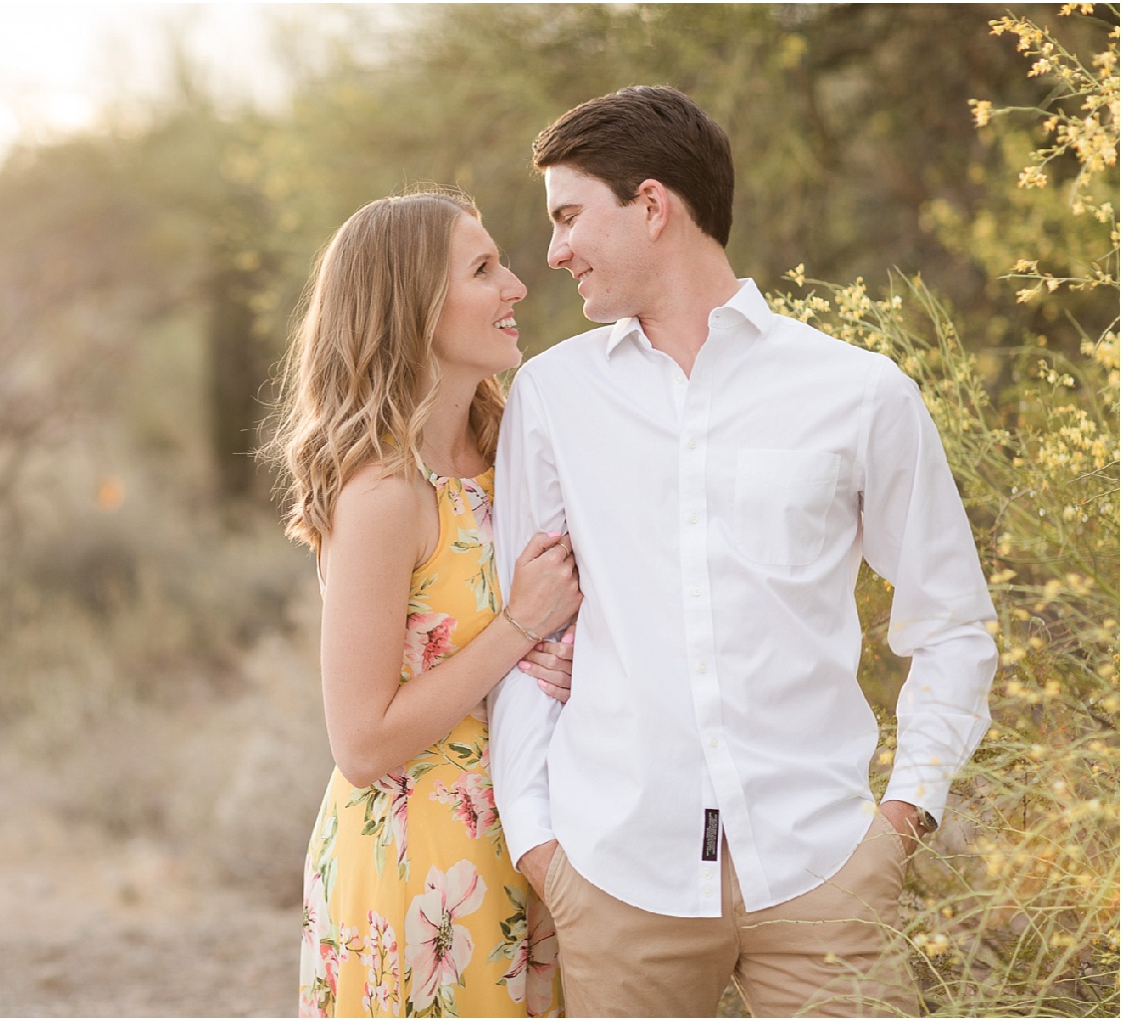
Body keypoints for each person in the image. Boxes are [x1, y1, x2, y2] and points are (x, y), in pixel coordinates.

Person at [487, 86, 998, 1018]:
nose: (554, 251)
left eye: (568, 216)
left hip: (825, 871)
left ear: (651, 206)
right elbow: (530, 645)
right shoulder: (553, 398)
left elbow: (954, 621)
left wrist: (900, 823)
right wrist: (540, 847)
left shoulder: (859, 393)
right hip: (615, 875)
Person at [266, 190, 581, 1018]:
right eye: (483, 270)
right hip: (419, 868)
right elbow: (362, 742)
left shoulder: (513, 448)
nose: (516, 285)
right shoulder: (384, 492)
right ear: (414, 306)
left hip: (532, 838)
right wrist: (518, 628)